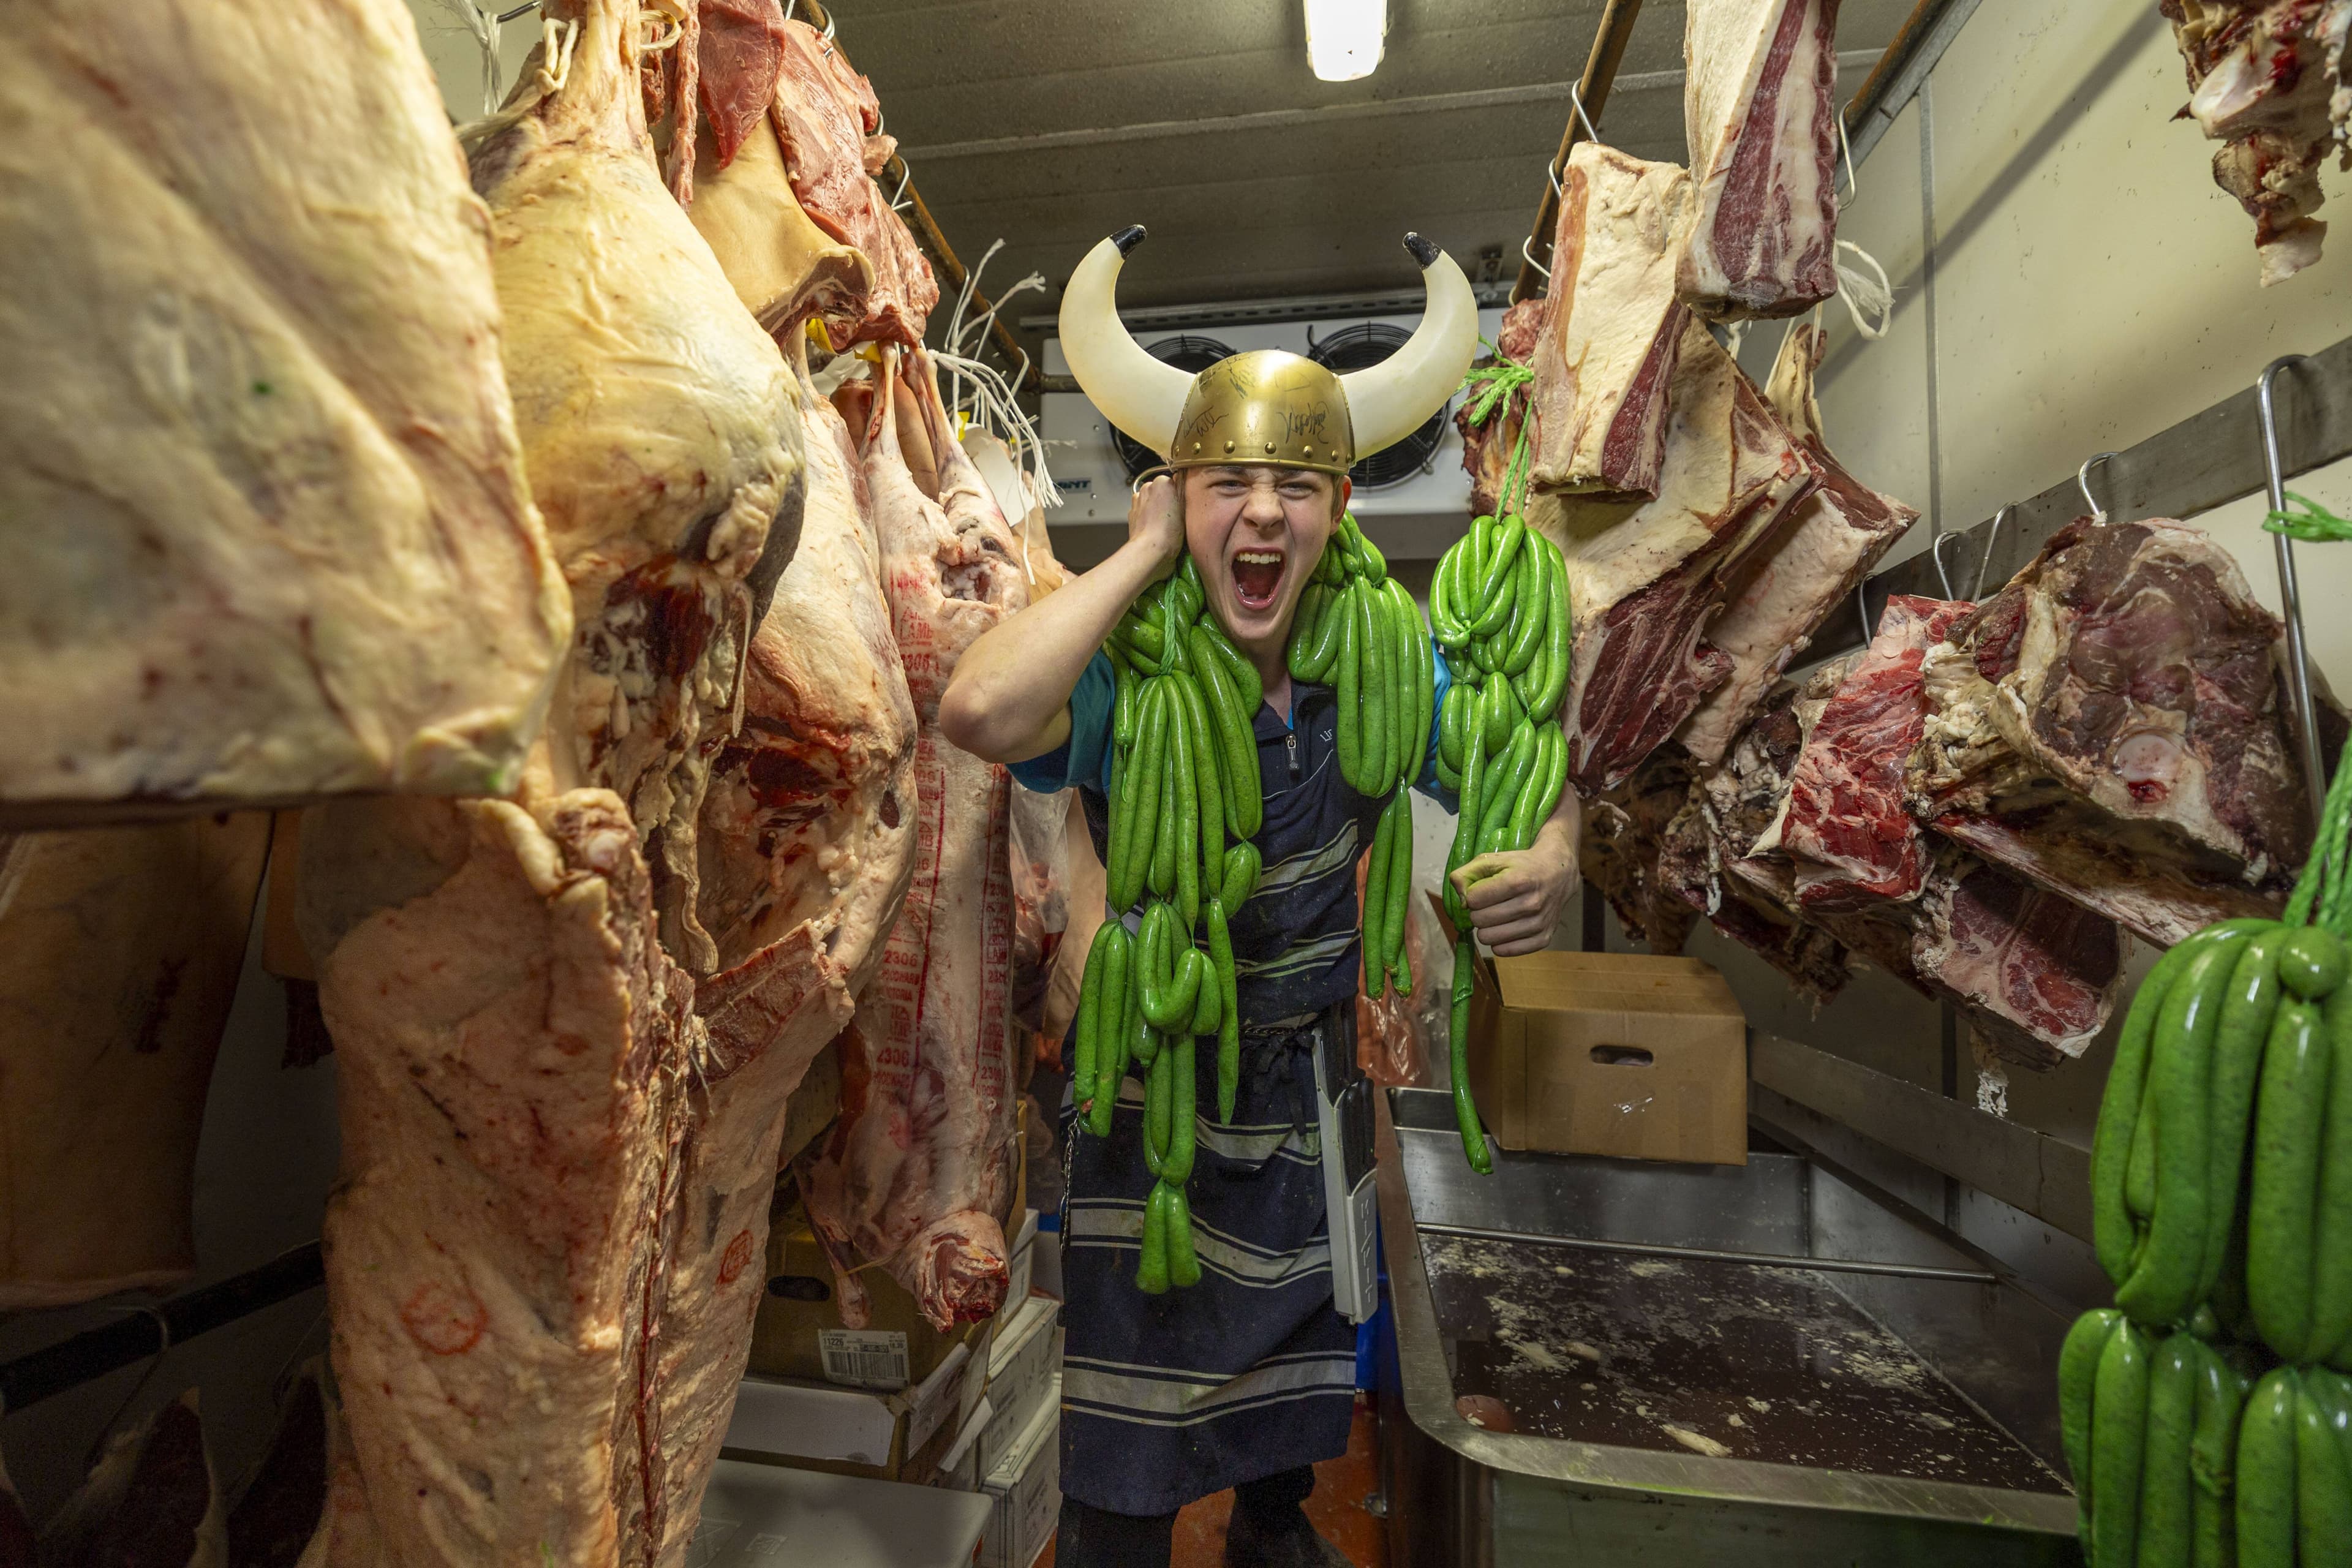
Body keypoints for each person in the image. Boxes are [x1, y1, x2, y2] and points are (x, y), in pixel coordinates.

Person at [938, 227, 1580, 1568]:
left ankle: (1275, 1538)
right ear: (1185, 498)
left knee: (1283, 1465)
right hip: (1149, 1122)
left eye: (1297, 483)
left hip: (1299, 1109)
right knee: (1121, 1490)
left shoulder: (1388, 662)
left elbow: (1528, 772)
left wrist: (1562, 844)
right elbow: (980, 704)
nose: (1265, 512)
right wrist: (1132, 558)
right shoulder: (1127, 673)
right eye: (1230, 481)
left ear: (1340, 508)